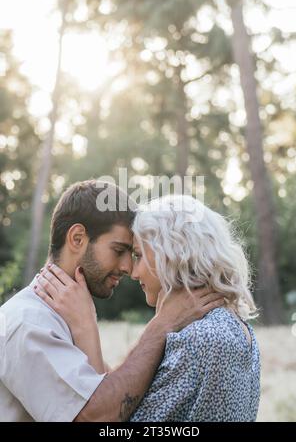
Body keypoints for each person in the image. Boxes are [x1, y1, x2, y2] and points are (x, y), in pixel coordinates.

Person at [0, 181, 223, 422]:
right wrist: (161, 326)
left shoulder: (64, 314)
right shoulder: (28, 323)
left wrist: (87, 328)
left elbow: (112, 395)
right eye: (119, 250)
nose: (128, 267)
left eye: (133, 254)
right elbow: (96, 418)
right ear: (77, 238)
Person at [35, 194, 260, 421]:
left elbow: (111, 418)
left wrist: (85, 325)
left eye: (139, 255)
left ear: (173, 254)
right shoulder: (237, 329)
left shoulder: (198, 339)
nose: (133, 272)